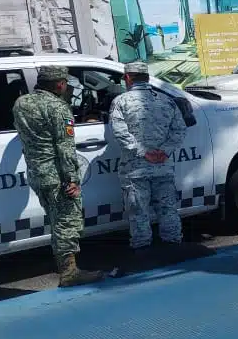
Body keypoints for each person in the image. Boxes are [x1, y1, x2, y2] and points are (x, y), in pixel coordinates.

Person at [12, 66, 107, 287]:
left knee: (56, 221)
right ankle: (69, 273)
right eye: (65, 83)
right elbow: (65, 147)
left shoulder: (21, 103)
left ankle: (65, 267)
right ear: (59, 84)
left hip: (37, 173)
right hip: (57, 175)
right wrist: (72, 179)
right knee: (67, 221)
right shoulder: (58, 108)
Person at [109, 62, 188, 255]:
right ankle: (174, 248)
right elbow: (180, 129)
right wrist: (164, 151)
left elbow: (120, 132)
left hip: (135, 170)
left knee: (138, 212)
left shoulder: (121, 101)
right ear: (146, 78)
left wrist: (143, 152)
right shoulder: (166, 100)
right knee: (168, 209)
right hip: (163, 167)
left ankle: (143, 253)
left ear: (128, 78)